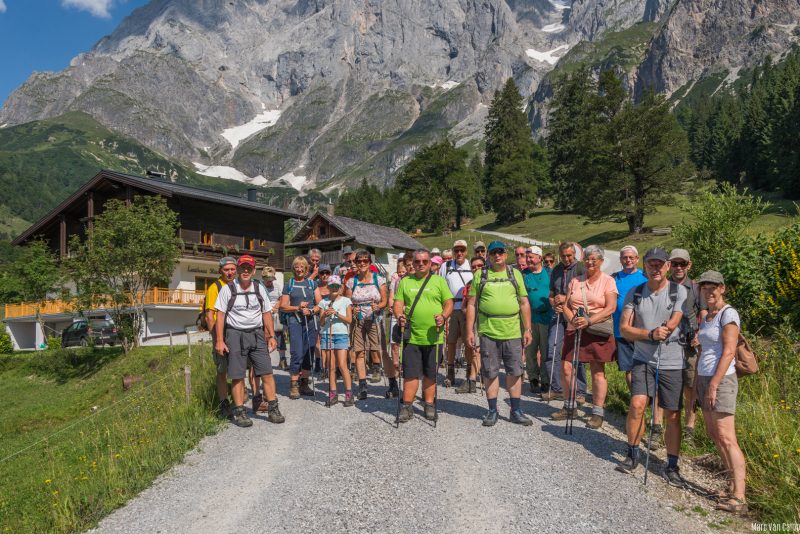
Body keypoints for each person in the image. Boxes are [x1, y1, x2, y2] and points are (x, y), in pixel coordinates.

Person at [616, 248, 688, 486]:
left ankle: (672, 464)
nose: (655, 269)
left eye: (660, 264)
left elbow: (675, 320)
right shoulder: (635, 294)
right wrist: (650, 334)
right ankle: (633, 452)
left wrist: (664, 330)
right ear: (645, 266)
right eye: (651, 264)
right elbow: (625, 329)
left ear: (667, 266)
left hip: (672, 361)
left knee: (673, 414)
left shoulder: (679, 292)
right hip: (643, 358)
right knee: (637, 405)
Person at [466, 241, 533, 426]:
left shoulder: (515, 274)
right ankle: (492, 410)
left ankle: (516, 410)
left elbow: (524, 303)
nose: (497, 255)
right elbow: (471, 304)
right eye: (494, 252)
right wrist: (470, 330)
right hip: (488, 331)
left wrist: (527, 329)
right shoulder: (481, 274)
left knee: (514, 371)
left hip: (512, 331)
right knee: (490, 371)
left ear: (506, 254)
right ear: (489, 256)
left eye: (501, 252)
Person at [696, 271, 748, 514]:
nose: (709, 291)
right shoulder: (707, 316)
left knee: (727, 437)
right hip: (705, 377)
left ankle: (740, 496)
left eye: (713, 287)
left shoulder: (729, 314)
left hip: (722, 380)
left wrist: (715, 384)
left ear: (722, 288)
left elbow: (728, 352)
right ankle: (730, 485)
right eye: (705, 287)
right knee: (713, 433)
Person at [214, 255, 285, 427]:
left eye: (249, 268)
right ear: (238, 269)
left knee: (267, 372)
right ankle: (240, 412)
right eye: (242, 268)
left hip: (257, 334)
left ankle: (272, 408)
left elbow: (266, 313)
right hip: (234, 334)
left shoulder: (259, 288)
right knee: (238, 375)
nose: (245, 271)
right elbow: (220, 316)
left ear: (254, 271)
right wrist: (220, 340)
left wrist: (271, 336)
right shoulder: (228, 289)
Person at [552, 245, 617, 429]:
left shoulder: (608, 281)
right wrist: (571, 318)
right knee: (565, 366)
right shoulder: (575, 281)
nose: (589, 262)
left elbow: (610, 307)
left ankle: (597, 411)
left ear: (601, 262)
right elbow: (566, 304)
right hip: (575, 327)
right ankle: (570, 405)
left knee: (597, 370)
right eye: (587, 259)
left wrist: (589, 321)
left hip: (596, 328)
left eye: (594, 259)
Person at [394, 249, 454, 422]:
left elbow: (448, 302)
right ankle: (407, 406)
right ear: (412, 263)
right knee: (411, 373)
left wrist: (443, 316)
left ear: (430, 263)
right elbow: (398, 303)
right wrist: (399, 316)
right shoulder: (405, 282)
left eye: (425, 261)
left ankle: (429, 404)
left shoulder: (439, 281)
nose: (421, 264)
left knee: (430, 373)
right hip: (411, 335)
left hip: (434, 335)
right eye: (417, 261)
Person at [345, 249, 398, 399]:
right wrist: (352, 309)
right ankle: (362, 386)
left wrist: (379, 306)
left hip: (375, 319)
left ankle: (393, 383)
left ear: (369, 263)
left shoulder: (379, 279)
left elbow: (384, 301)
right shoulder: (351, 281)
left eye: (365, 261)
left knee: (381, 351)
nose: (362, 264)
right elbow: (348, 302)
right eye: (359, 261)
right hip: (358, 320)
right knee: (359, 352)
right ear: (355, 263)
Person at [543, 242, 588, 403]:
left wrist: (565, 298)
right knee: (551, 349)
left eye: (569, 255)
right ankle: (557, 387)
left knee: (576, 352)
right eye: (563, 256)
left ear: (574, 254)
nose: (567, 259)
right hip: (559, 314)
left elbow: (586, 291)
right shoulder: (556, 270)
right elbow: (552, 293)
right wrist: (553, 303)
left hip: (575, 314)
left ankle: (580, 390)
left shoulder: (581, 268)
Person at [669, 248, 705, 442]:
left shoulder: (696, 287)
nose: (679, 267)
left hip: (690, 343)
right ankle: (665, 424)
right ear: (670, 265)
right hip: (668, 342)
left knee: (691, 385)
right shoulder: (663, 286)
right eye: (675, 263)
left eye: (682, 264)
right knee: (668, 384)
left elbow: (705, 313)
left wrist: (700, 333)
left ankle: (690, 427)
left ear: (689, 265)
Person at [278, 256, 321, 400]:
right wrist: (297, 307)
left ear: (306, 268)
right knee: (296, 352)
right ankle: (294, 384)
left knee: (309, 351)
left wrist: (312, 311)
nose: (299, 269)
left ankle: (304, 383)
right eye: (297, 266)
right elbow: (283, 305)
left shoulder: (312, 283)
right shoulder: (288, 284)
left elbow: (319, 304)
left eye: (302, 266)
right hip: (295, 321)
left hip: (310, 321)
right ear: (293, 268)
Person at [204, 256, 238, 417]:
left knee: (239, 368)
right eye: (226, 270)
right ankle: (224, 402)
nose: (230, 272)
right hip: (221, 334)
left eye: (232, 269)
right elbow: (210, 315)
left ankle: (240, 400)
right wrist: (217, 338)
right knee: (222, 370)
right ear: (220, 270)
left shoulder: (238, 285)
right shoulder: (215, 287)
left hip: (237, 332)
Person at [439, 240, 475, 392]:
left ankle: (468, 375)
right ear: (453, 251)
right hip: (452, 308)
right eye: (457, 250)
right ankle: (450, 373)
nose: (459, 253)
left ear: (466, 251)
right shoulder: (446, 266)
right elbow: (440, 286)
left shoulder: (471, 266)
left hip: (468, 308)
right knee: (451, 342)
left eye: (462, 250)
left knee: (468, 342)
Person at [611, 246, 648, 389]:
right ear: (620, 260)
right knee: (629, 368)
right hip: (621, 331)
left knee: (645, 367)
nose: (628, 260)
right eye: (625, 257)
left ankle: (647, 398)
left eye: (631, 257)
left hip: (643, 330)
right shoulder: (614, 278)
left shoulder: (645, 276)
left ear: (637, 259)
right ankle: (634, 398)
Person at [319, 275, 355, 407]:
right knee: (331, 366)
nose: (334, 288)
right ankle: (333, 394)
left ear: (340, 288)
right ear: (328, 287)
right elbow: (321, 323)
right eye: (331, 286)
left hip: (341, 334)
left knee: (342, 364)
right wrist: (324, 314)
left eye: (336, 286)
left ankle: (349, 394)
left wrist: (336, 314)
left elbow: (349, 320)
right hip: (328, 335)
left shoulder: (346, 301)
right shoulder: (324, 302)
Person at [522, 246, 552, 394]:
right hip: (530, 318)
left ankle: (546, 380)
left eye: (531, 257)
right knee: (530, 350)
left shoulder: (549, 273)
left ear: (539, 258)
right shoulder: (524, 274)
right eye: (527, 257)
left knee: (546, 350)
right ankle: (533, 378)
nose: (528, 259)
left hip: (547, 317)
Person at [262, 266, 289, 371]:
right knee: (265, 336)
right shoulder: (259, 286)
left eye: (271, 280)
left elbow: (281, 298)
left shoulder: (277, 286)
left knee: (280, 336)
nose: (270, 282)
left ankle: (282, 360)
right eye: (268, 280)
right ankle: (265, 359)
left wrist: (277, 306)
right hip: (264, 314)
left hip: (276, 314)